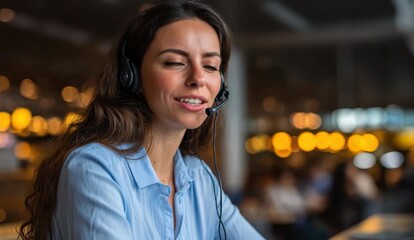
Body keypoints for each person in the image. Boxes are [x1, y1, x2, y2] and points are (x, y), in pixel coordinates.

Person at [18, 1, 264, 239]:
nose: (198, 78)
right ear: (131, 75)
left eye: (210, 66)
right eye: (174, 62)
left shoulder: (198, 177)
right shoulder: (95, 168)